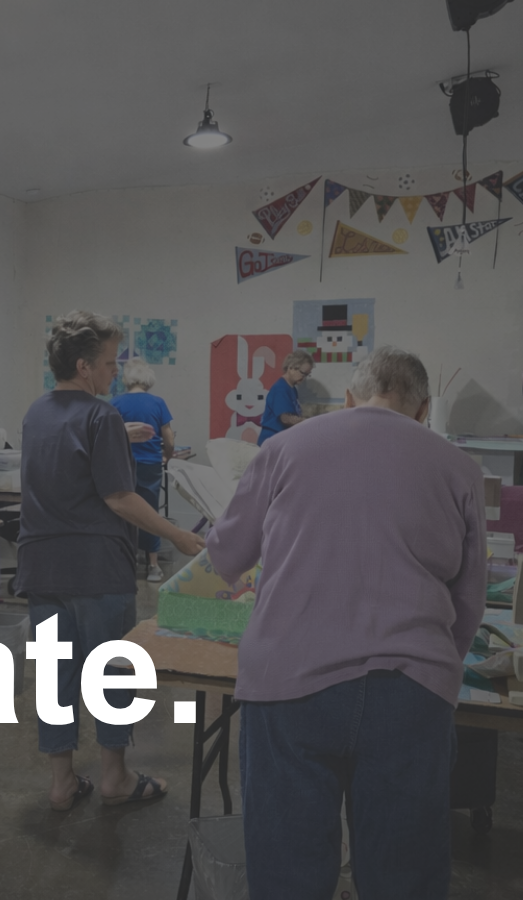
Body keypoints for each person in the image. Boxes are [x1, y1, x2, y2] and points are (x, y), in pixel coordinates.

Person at [207, 347, 486, 899]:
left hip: (288, 682)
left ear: (350, 398)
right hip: (411, 689)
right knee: (402, 875)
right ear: (425, 409)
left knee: (288, 868)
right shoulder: (459, 468)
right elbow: (469, 600)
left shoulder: (283, 449)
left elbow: (225, 557)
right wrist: (436, 669)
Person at [20, 310, 206, 811]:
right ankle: (115, 777)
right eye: (107, 362)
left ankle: (61, 783)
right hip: (96, 567)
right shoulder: (102, 416)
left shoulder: (37, 412)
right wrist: (179, 536)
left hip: (42, 566)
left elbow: (67, 460)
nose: (113, 372)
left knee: (56, 676)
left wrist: (121, 439)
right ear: (84, 366)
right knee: (109, 673)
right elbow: (120, 498)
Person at [110, 359, 175, 583]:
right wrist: (167, 455)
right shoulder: (157, 403)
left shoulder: (115, 402)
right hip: (150, 464)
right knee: (150, 513)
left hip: (123, 465)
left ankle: (124, 563)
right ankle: (153, 566)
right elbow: (168, 437)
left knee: (123, 513)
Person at [257, 350, 314, 445]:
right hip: (272, 440)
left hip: (281, 439)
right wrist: (309, 422)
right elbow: (286, 418)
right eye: (303, 373)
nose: (304, 378)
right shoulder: (281, 389)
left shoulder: (292, 388)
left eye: (307, 375)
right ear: (291, 367)